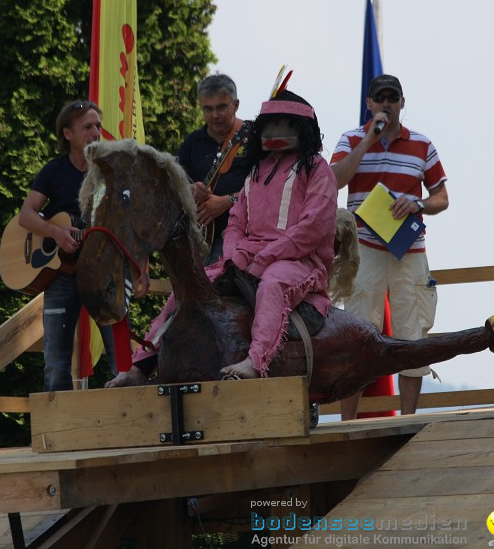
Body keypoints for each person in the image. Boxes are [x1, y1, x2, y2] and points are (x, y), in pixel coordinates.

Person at [106, 89, 338, 385]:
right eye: (271, 124)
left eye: (284, 124)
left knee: (273, 284)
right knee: (187, 291)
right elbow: (237, 221)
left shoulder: (318, 170)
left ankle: (256, 362)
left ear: (301, 129)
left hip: (299, 262)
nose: (276, 132)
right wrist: (233, 254)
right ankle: (141, 365)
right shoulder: (257, 170)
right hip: (246, 256)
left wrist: (266, 257)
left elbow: (311, 230)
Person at [330, 75, 449, 418]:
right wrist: (369, 139)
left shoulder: (422, 144)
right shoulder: (351, 139)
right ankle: (347, 425)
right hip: (363, 250)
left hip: (408, 250)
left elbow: (442, 197)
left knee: (412, 335)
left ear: (402, 102)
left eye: (392, 98)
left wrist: (418, 204)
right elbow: (334, 180)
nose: (386, 104)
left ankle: (408, 421)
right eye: (379, 98)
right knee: (356, 334)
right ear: (369, 103)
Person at [18, 99, 117, 391]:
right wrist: (56, 233)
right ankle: (57, 433)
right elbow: (26, 215)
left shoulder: (110, 171)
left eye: (98, 125)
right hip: (62, 275)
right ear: (68, 134)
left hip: (103, 274)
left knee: (122, 362)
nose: (96, 132)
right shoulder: (53, 171)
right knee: (55, 362)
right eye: (87, 126)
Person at [177, 73, 251, 264]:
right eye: (208, 109)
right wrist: (189, 190)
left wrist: (229, 201)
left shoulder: (253, 140)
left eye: (222, 107)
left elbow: (268, 190)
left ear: (236, 105)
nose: (215, 115)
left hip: (244, 241)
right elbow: (172, 189)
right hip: (197, 242)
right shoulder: (192, 143)